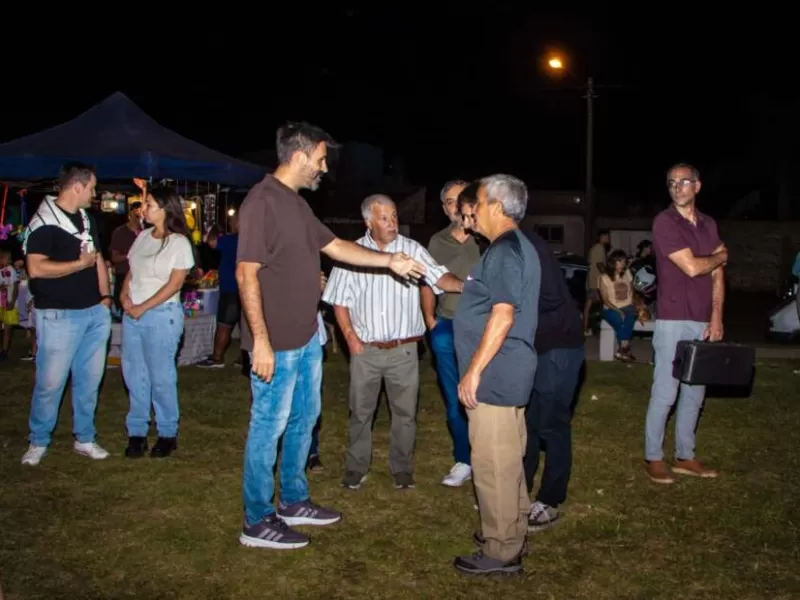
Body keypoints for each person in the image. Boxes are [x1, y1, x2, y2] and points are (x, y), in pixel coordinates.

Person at [236, 121, 426, 550]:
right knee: (268, 426)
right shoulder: (262, 202)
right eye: (320, 159)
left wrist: (388, 260)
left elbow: (337, 246)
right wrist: (260, 340)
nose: (323, 167)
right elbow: (245, 273)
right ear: (300, 156)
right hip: (277, 342)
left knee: (304, 421)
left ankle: (294, 499)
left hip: (306, 338)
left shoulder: (297, 205)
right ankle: (257, 518)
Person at [323, 194, 460, 491]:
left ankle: (402, 468)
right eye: (384, 218)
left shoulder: (412, 250)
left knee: (405, 414)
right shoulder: (353, 253)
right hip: (366, 350)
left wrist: (467, 285)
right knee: (360, 412)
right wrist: (350, 339)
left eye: (395, 216)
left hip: (404, 350)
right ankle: (356, 467)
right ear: (368, 222)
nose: (392, 223)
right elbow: (339, 302)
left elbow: (439, 277)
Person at [452, 174, 541, 576]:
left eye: (480, 201)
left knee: (492, 464)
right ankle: (511, 528)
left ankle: (502, 549)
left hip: (497, 372)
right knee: (508, 457)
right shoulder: (516, 247)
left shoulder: (505, 251)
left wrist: (473, 372)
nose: (472, 208)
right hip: (509, 369)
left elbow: (502, 315)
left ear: (498, 208)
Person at [21, 162, 113, 466]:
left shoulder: (86, 219)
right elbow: (35, 268)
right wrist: (78, 265)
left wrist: (105, 297)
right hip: (59, 316)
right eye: (92, 187)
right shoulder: (44, 223)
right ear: (77, 186)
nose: (95, 193)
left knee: (89, 381)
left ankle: (84, 437)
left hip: (93, 314)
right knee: (50, 383)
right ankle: (38, 440)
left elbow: (97, 258)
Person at [644, 163, 727, 484]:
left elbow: (718, 275)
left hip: (703, 320)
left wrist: (717, 315)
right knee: (666, 391)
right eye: (671, 183)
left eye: (684, 182)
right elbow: (693, 267)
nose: (677, 188)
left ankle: (685, 455)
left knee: (695, 392)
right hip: (673, 319)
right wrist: (720, 257)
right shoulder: (665, 222)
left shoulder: (708, 224)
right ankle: (653, 457)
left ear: (697, 186)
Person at [120, 186, 194, 458]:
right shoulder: (141, 238)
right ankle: (137, 431)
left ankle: (167, 431)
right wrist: (124, 295)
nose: (144, 208)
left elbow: (175, 284)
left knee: (161, 376)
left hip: (162, 315)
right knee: (134, 374)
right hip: (134, 314)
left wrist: (143, 307)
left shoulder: (179, 243)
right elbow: (132, 272)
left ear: (165, 209)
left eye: (149, 204)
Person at [422, 180, 481, 487]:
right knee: (455, 396)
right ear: (444, 208)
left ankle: (488, 458)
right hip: (447, 323)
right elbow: (427, 282)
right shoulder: (437, 241)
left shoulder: (486, 236)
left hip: (483, 326)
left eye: (460, 199)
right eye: (448, 201)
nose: (455, 206)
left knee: (485, 395)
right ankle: (463, 459)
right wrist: (431, 321)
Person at [198, 214, 240, 367]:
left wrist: (211, 229)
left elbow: (211, 243)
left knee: (224, 324)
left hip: (231, 288)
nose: (231, 221)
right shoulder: (252, 239)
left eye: (233, 219)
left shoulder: (233, 239)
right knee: (246, 325)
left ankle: (217, 357)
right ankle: (246, 358)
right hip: (245, 288)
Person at [598, 249, 639, 361]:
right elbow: (605, 300)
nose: (622, 264)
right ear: (613, 262)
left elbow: (632, 291)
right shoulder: (604, 278)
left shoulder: (627, 273)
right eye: (619, 262)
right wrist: (618, 311)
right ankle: (625, 350)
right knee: (620, 322)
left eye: (624, 262)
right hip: (610, 307)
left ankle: (622, 350)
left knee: (630, 317)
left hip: (628, 306)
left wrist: (636, 304)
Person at [109, 200, 142, 311]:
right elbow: (114, 258)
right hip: (123, 276)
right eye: (136, 211)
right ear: (130, 213)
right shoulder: (120, 232)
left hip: (142, 278)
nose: (139, 214)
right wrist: (130, 255)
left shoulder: (146, 232)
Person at [584, 230, 610, 335]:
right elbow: (600, 264)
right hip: (596, 282)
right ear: (602, 237)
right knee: (605, 304)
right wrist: (608, 277)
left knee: (588, 306)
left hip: (591, 281)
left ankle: (586, 329)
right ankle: (598, 328)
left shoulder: (594, 248)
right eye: (607, 237)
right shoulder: (600, 248)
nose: (608, 239)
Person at [0, 248, 19, 361]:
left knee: (7, 327)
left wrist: (12, 301)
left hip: (8, 302)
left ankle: (5, 351)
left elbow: (15, 286)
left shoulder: (11, 270)